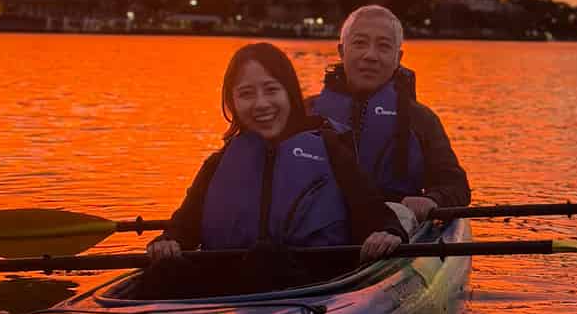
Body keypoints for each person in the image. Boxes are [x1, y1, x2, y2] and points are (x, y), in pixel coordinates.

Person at [143, 43, 407, 297]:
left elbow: (377, 216)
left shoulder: (330, 150)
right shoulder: (218, 163)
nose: (261, 104)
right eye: (246, 94)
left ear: (289, 93)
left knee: (266, 258)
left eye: (271, 90)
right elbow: (182, 227)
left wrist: (388, 233)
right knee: (166, 270)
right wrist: (168, 242)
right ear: (232, 102)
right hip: (229, 288)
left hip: (314, 284)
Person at [308, 5, 470, 223]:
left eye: (383, 47)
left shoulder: (421, 120)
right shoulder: (305, 113)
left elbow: (456, 186)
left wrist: (432, 200)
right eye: (359, 43)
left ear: (398, 57)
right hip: (320, 237)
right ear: (341, 51)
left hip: (396, 234)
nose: (370, 56)